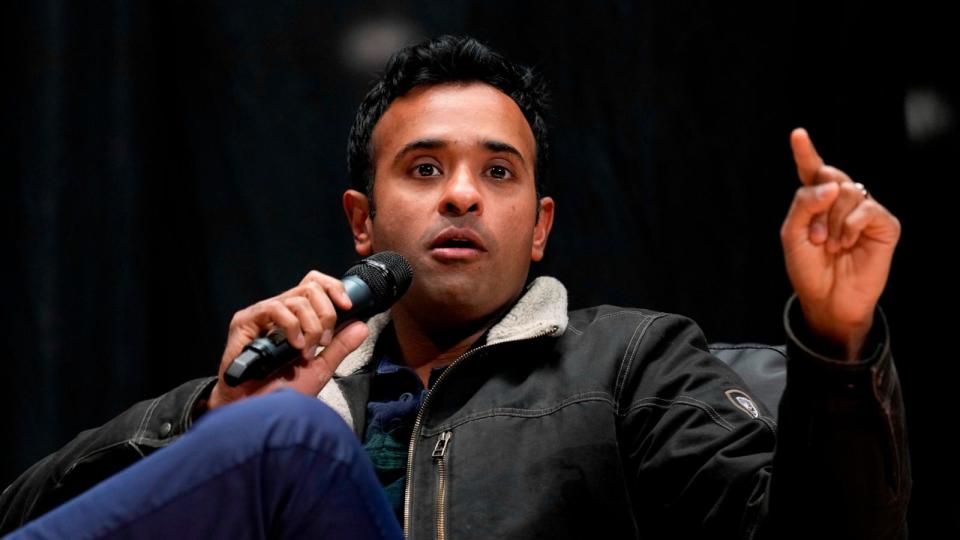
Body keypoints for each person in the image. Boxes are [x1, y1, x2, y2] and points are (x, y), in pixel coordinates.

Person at [0, 35, 908, 539]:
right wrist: (214, 416)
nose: (463, 192)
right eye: (425, 168)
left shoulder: (631, 361)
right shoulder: (300, 390)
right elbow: (27, 514)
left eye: (499, 174)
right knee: (288, 425)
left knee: (293, 439)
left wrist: (835, 344)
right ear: (363, 222)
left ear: (541, 227)